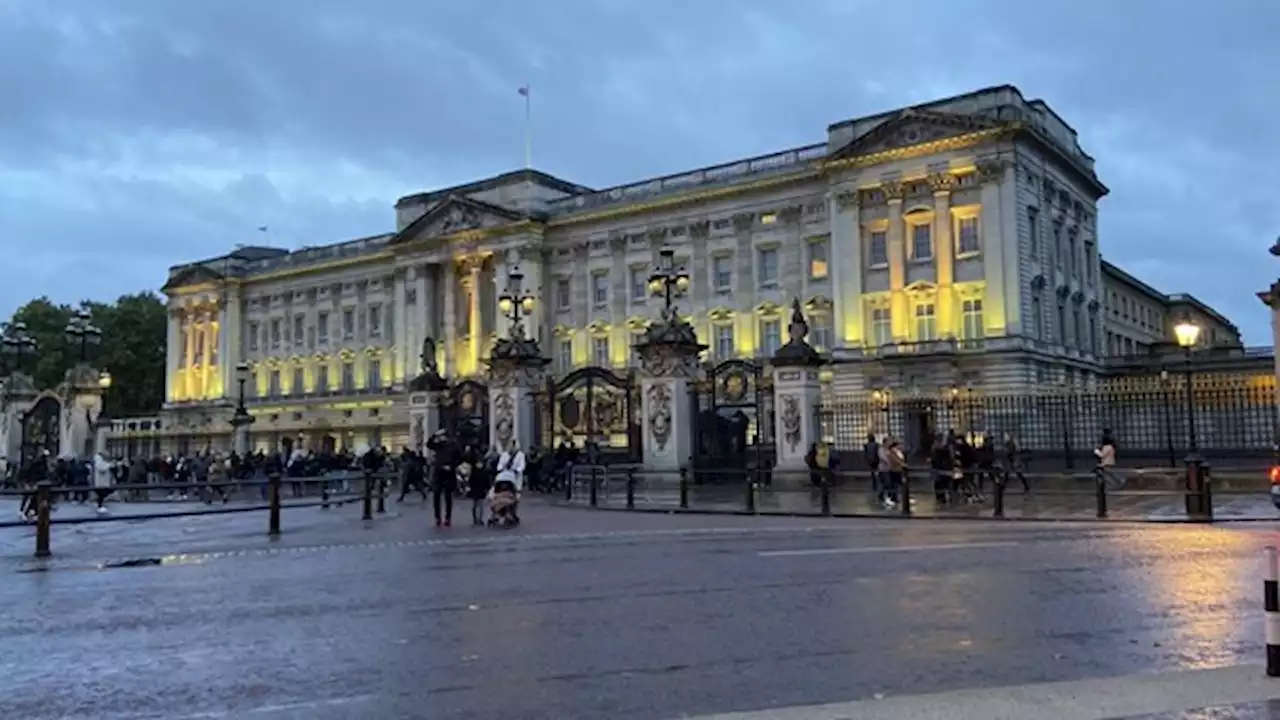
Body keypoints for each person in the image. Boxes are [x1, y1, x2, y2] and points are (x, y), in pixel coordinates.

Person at [426, 430, 459, 527]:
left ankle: (448, 518)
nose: (440, 438)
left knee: (448, 496)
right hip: (438, 472)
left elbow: (459, 458)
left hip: (449, 472)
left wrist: (452, 466)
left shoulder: (454, 446)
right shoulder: (438, 445)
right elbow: (428, 444)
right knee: (436, 495)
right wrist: (434, 434)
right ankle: (438, 518)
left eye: (442, 436)